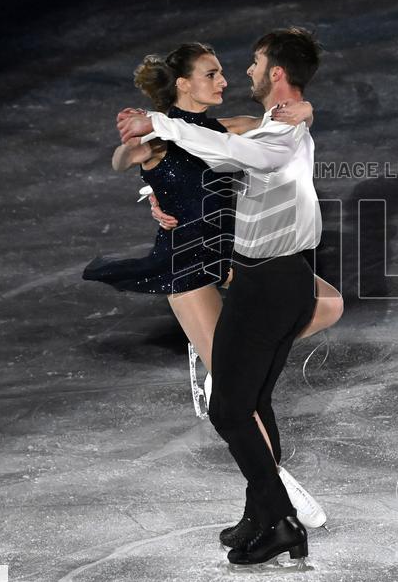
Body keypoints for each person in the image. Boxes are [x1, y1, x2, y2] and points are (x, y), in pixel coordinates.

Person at [84, 42, 341, 534]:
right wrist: (146, 180)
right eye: (212, 73)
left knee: (327, 304)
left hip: (235, 255)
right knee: (242, 403)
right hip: (187, 262)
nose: (224, 80)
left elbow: (278, 127)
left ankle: (222, 360)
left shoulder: (230, 128)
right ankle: (279, 492)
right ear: (183, 84)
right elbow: (122, 159)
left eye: (224, 72)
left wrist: (307, 108)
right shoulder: (159, 136)